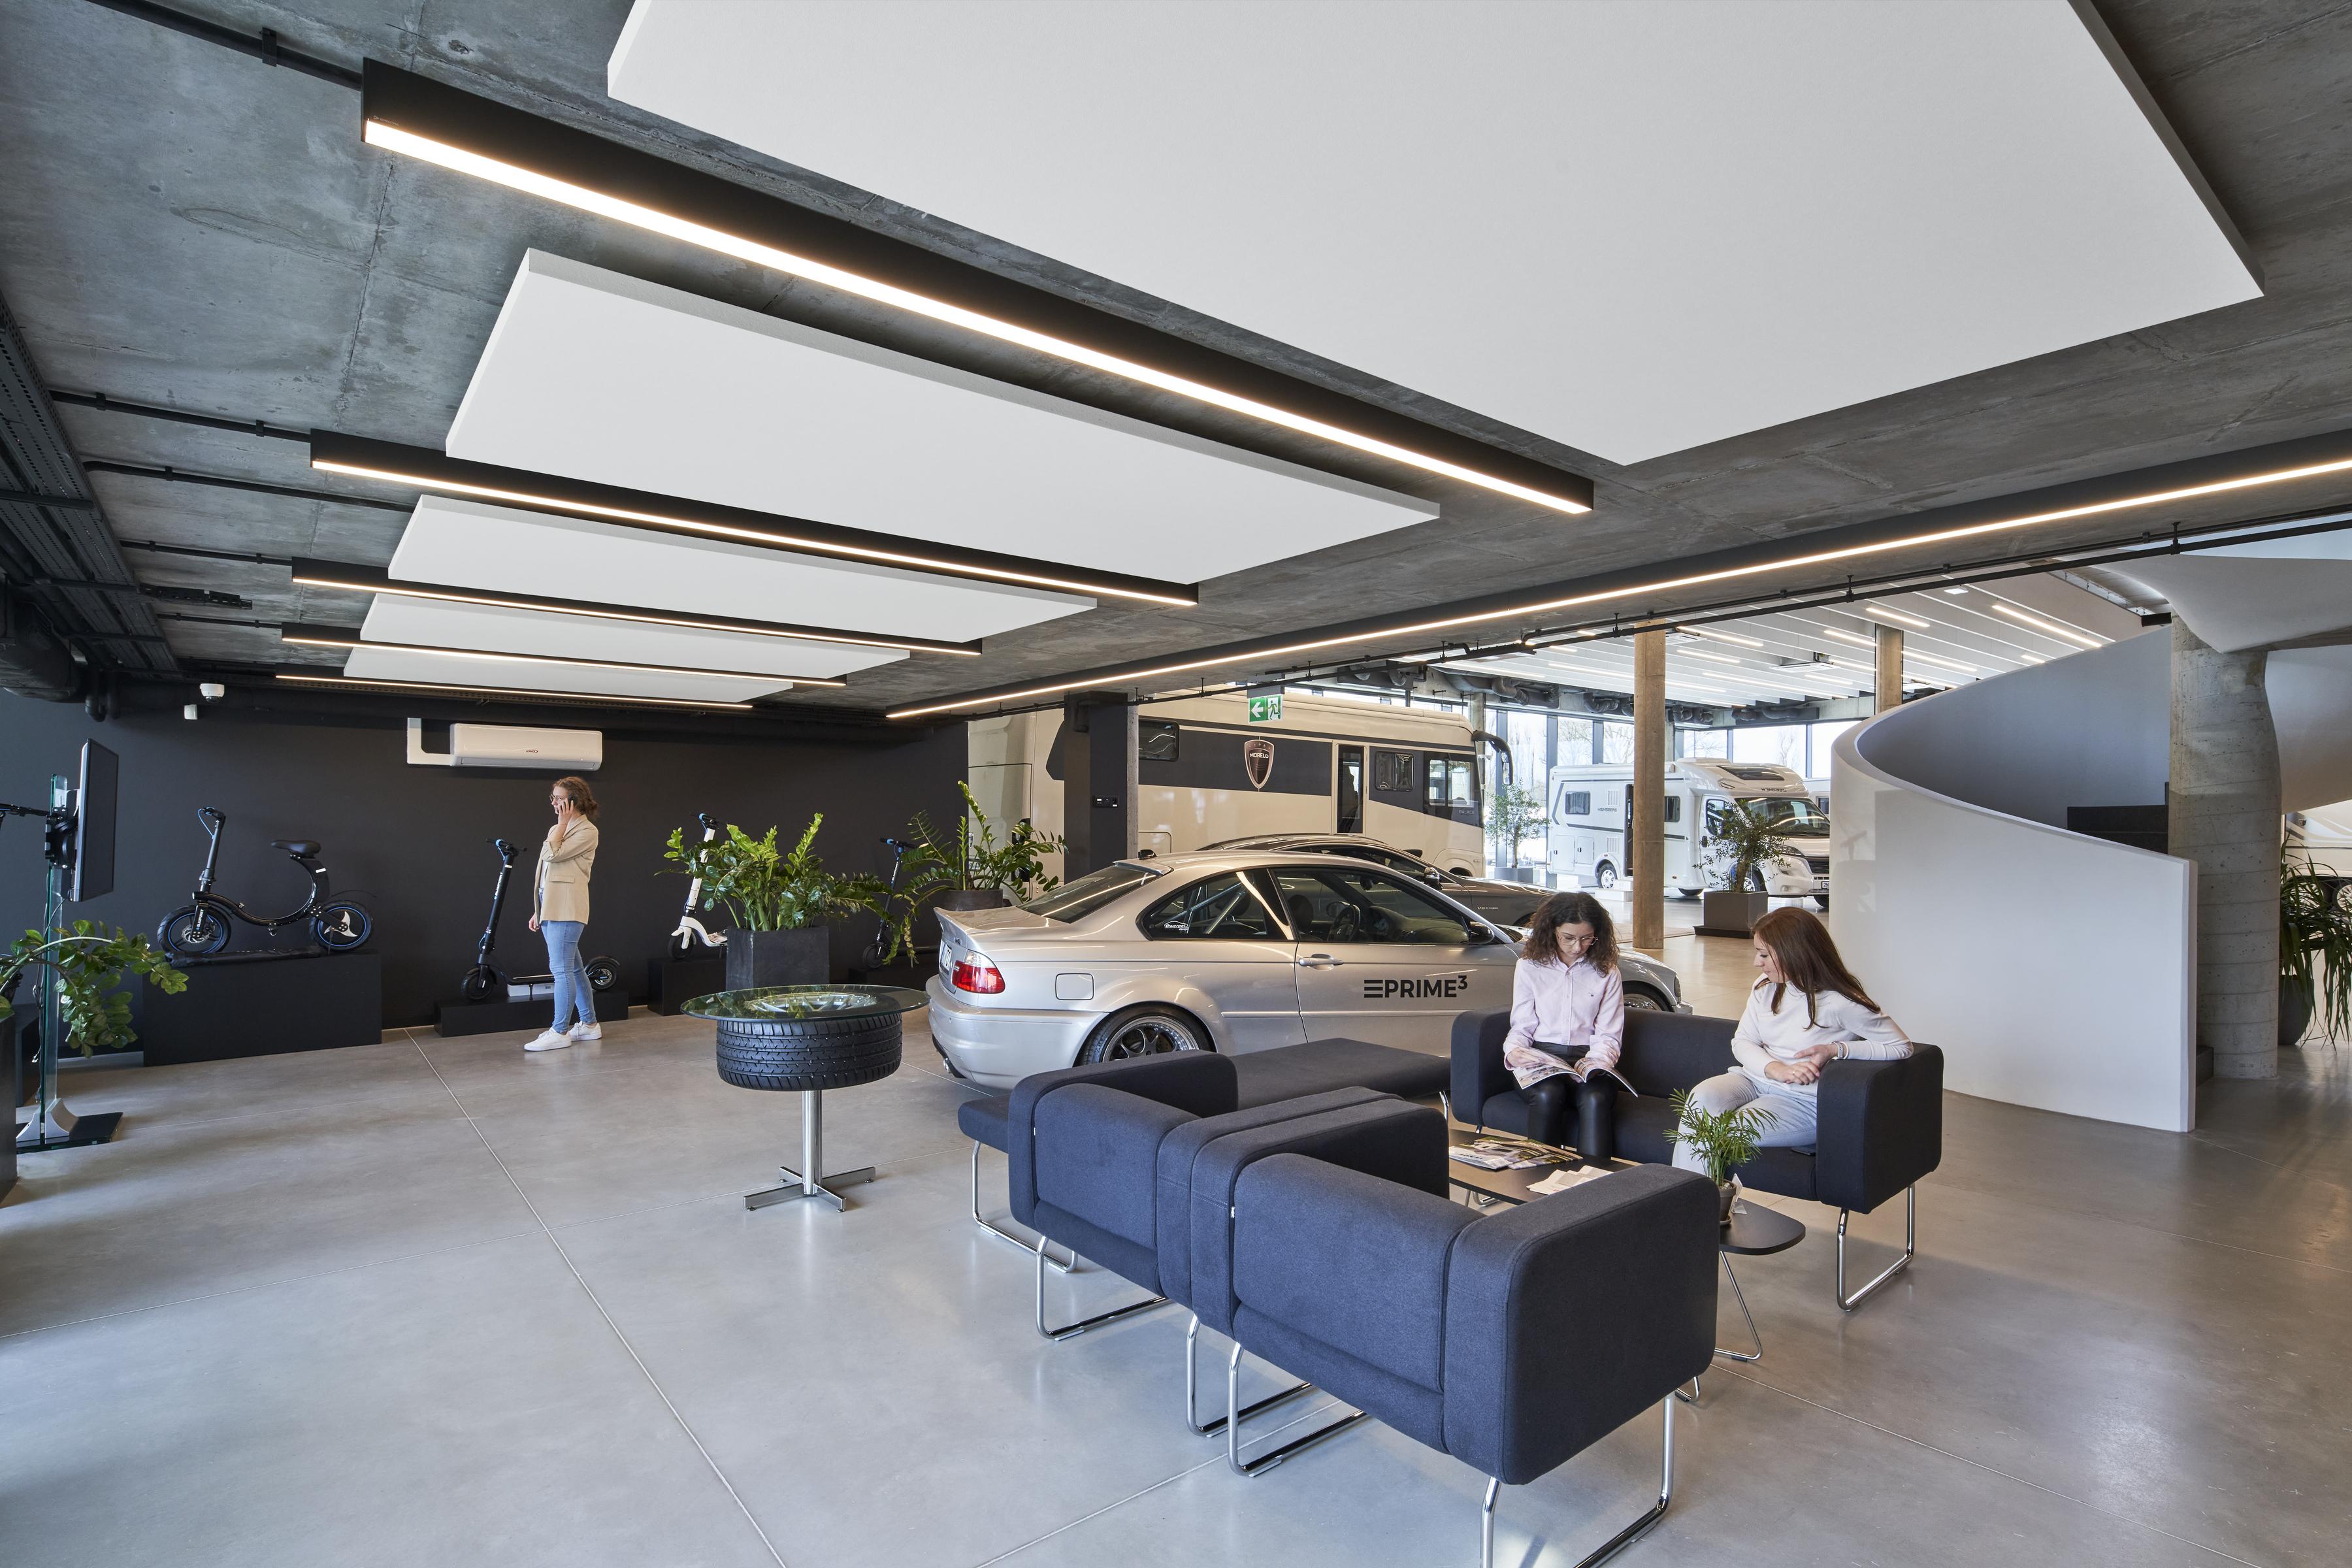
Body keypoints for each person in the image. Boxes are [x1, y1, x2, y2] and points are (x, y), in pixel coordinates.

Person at [1671, 906, 1908, 1174]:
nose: (1757, 962)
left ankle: (1700, 1198)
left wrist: (1835, 1049)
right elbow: (1743, 1041)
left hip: (1801, 1101)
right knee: (1699, 1100)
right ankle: (1690, 1198)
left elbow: (1901, 1046)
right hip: (1753, 1079)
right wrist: (1777, 1069)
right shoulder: (1765, 986)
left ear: (1794, 952)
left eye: (1764, 954)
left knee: (1723, 1130)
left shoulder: (1840, 1001)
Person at [1500, 891, 1625, 1154]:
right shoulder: (1529, 967)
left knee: (1595, 1097)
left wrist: (1597, 1062)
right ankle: (1539, 1171)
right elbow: (1522, 1026)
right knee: (1549, 1094)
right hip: (1542, 1057)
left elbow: (1609, 1035)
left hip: (1587, 1058)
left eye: (1587, 938)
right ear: (1552, 930)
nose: (1578, 947)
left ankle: (1594, 1176)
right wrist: (1514, 1051)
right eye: (1568, 938)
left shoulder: (1607, 972)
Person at [525, 776, 601, 1052]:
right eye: (553, 797)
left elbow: (553, 856)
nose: (554, 803)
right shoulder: (557, 828)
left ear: (574, 801)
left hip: (568, 908)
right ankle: (590, 1025)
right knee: (574, 969)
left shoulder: (587, 831)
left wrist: (561, 824)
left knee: (561, 970)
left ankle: (560, 1031)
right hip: (553, 906)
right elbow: (546, 871)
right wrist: (540, 909)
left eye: (559, 798)